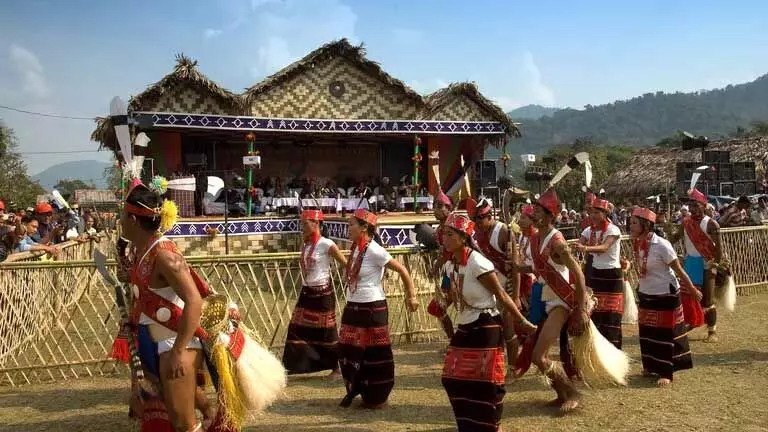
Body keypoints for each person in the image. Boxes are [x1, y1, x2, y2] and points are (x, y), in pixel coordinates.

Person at [440, 212, 535, 432]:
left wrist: (521, 321)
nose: (444, 238)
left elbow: (501, 295)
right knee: (452, 378)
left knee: (488, 382)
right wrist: (442, 301)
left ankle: (492, 426)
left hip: (486, 325)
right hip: (466, 325)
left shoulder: (477, 262)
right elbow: (451, 294)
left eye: (449, 234)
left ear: (463, 237)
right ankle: (470, 424)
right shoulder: (450, 264)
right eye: (443, 233)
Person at [513, 188, 589, 413]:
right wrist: (519, 267)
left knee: (539, 355)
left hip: (561, 301)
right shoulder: (537, 238)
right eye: (533, 208)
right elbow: (540, 268)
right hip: (548, 298)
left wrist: (581, 309)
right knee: (538, 355)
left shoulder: (557, 242)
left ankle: (572, 392)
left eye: (537, 209)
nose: (532, 212)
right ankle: (561, 393)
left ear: (548, 216)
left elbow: (579, 274)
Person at [339, 209, 418, 408]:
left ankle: (376, 396)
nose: (348, 229)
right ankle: (356, 389)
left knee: (375, 354)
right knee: (349, 350)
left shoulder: (374, 250)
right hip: (353, 306)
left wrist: (412, 296)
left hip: (372, 308)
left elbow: (402, 270)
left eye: (351, 225)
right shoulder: (356, 249)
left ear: (364, 227)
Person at [630, 208, 696, 387]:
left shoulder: (662, 245)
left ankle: (666, 372)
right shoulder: (636, 243)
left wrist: (692, 290)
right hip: (646, 292)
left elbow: (679, 271)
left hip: (664, 293)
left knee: (663, 333)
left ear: (645, 225)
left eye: (634, 222)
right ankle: (650, 366)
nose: (631, 225)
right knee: (647, 331)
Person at [283, 209, 347, 376]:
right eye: (302, 223)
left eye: (305, 224)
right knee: (297, 327)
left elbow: (345, 263)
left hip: (323, 292)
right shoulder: (306, 244)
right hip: (307, 291)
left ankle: (337, 366)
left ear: (316, 224)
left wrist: (352, 278)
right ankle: (296, 365)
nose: (302, 227)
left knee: (327, 330)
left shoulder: (327, 244)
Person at [666, 188, 723, 343]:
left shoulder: (711, 224)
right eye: (691, 206)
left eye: (696, 205)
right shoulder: (685, 223)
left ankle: (712, 331)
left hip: (707, 264)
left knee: (708, 300)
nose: (693, 209)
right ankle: (690, 322)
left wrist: (715, 264)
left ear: (704, 206)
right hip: (691, 263)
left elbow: (719, 249)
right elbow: (675, 238)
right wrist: (666, 232)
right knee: (688, 297)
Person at [472, 198, 521, 367]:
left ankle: (513, 368)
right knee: (491, 329)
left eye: (480, 219)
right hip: (491, 287)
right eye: (475, 220)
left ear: (489, 216)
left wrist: (516, 296)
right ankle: (494, 366)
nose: (477, 223)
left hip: (508, 286)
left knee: (509, 330)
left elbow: (515, 267)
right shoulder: (477, 233)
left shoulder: (503, 232)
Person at [571, 199, 624, 349]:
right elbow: (579, 244)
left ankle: (613, 349)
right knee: (595, 311)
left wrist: (585, 248)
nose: (593, 215)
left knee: (611, 313)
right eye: (591, 212)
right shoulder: (588, 230)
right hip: (595, 274)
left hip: (612, 275)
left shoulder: (613, 230)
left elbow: (604, 247)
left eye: (596, 212)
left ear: (605, 213)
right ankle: (596, 349)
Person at [427, 190, 457, 342]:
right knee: (437, 308)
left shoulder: (456, 228)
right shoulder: (439, 230)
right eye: (434, 206)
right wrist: (435, 268)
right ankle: (454, 342)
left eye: (440, 206)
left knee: (466, 308)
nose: (435, 210)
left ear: (449, 209)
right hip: (449, 273)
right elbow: (443, 254)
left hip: (461, 272)